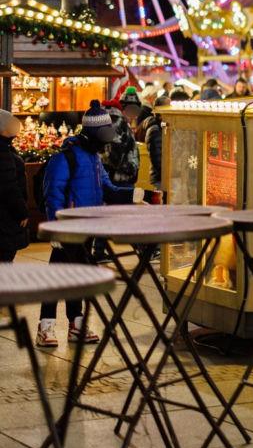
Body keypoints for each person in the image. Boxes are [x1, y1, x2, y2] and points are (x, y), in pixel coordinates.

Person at [37, 101, 136, 348]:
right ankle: (45, 326)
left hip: (87, 229)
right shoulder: (65, 158)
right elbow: (53, 194)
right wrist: (55, 228)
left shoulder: (93, 160)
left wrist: (140, 195)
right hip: (67, 229)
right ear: (92, 134)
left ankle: (76, 322)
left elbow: (110, 190)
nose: (105, 143)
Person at [0, 110, 28, 262]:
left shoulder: (6, 148)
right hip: (6, 216)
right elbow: (8, 186)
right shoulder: (3, 151)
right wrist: (21, 212)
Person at [143, 95, 170, 194]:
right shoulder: (155, 130)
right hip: (161, 178)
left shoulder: (164, 128)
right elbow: (157, 158)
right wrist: (168, 174)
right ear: (160, 112)